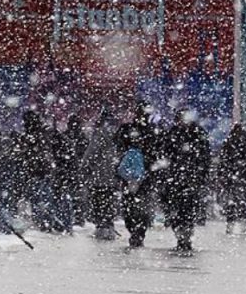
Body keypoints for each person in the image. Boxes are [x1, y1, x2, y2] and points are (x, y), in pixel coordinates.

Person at [158, 108, 211, 253]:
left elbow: (205, 157)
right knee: (175, 210)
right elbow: (164, 155)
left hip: (190, 180)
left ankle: (185, 237)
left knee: (187, 211)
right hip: (175, 180)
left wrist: (201, 176)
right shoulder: (173, 134)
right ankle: (181, 236)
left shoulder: (198, 134)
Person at [114, 103, 159, 248]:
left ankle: (135, 231)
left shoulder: (127, 129)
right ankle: (138, 232)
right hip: (143, 177)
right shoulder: (152, 131)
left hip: (129, 177)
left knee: (130, 205)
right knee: (140, 206)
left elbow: (117, 147)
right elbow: (156, 154)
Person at [81, 109, 121, 240]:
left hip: (99, 176)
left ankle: (102, 227)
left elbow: (90, 155)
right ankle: (109, 226)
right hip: (113, 176)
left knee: (99, 201)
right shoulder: (117, 134)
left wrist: (85, 168)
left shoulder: (99, 135)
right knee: (109, 201)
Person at [218, 123, 246, 233]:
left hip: (231, 175)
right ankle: (241, 220)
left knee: (232, 200)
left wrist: (223, 173)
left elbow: (223, 160)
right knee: (240, 200)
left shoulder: (228, 142)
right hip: (240, 175)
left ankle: (231, 222)